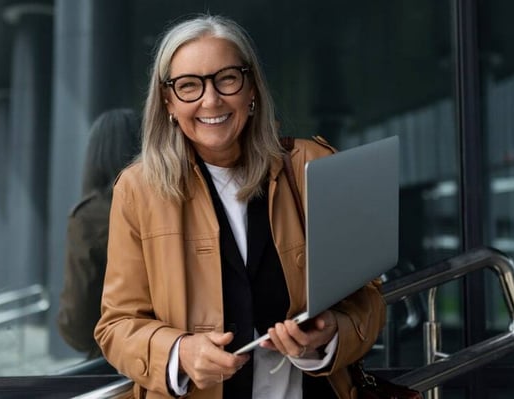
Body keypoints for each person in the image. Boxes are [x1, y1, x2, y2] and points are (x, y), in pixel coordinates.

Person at [94, 14, 385, 399]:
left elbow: (367, 299)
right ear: (168, 102)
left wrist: (329, 335)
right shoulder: (138, 190)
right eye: (188, 86)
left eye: (227, 78)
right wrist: (180, 353)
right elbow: (116, 326)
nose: (210, 99)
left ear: (251, 89)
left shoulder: (313, 165)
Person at [58, 108, 141, 358]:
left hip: (117, 360)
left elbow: (79, 323)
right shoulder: (171, 202)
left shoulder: (90, 217)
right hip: (177, 351)